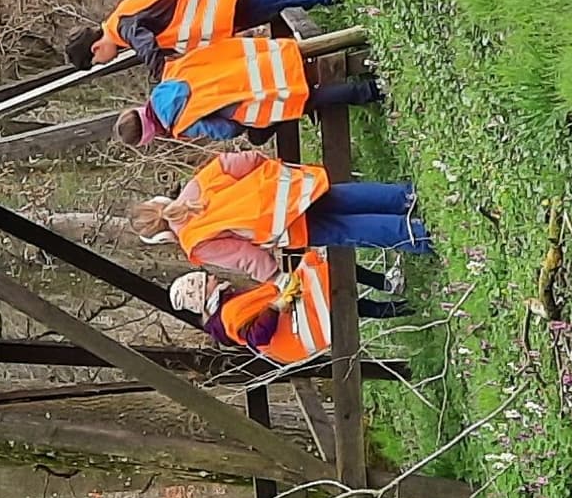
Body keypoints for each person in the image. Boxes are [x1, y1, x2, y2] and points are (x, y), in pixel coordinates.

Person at [128, 151, 429, 280]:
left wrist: (275, 278)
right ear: (159, 201)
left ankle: (415, 234)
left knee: (348, 229)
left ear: (163, 237)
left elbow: (247, 257)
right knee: (342, 195)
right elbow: (236, 161)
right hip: (283, 189)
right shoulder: (195, 186)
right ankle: (405, 197)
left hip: (284, 225)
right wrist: (268, 168)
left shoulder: (195, 242)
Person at [128, 34, 384, 143]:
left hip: (259, 98)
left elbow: (226, 130)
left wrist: (241, 125)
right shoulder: (168, 78)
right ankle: (366, 58)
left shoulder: (180, 123)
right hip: (260, 63)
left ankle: (372, 89)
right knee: (309, 73)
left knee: (312, 99)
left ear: (152, 133)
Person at [65, 0, 342, 69]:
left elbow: (146, 43)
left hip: (217, 8)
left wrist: (161, 73)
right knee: (273, 3)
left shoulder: (122, 28)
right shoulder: (120, 21)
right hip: (217, 13)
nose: (105, 61)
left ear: (95, 49)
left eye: (98, 62)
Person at [170, 265, 408, 367]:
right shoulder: (229, 315)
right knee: (330, 270)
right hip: (297, 323)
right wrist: (278, 305)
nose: (212, 277)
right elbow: (257, 336)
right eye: (206, 280)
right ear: (203, 293)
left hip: (299, 326)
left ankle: (399, 305)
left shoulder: (226, 312)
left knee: (343, 302)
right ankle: (390, 286)